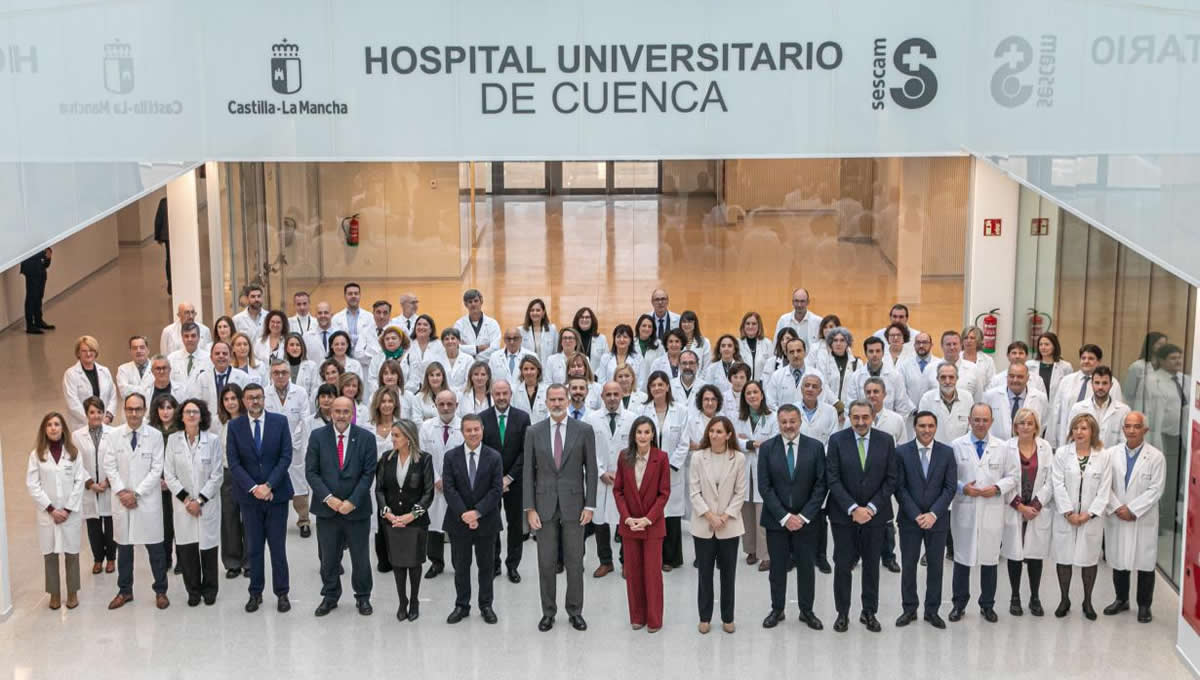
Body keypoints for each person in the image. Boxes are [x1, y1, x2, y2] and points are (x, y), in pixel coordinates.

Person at [524, 383, 599, 632]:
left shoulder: (584, 430)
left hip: (575, 505)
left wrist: (590, 505)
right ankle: (548, 612)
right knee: (546, 562)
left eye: (560, 399)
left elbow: (591, 470)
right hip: (543, 506)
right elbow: (527, 473)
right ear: (545, 403)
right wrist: (529, 509)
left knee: (575, 562)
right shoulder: (534, 432)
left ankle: (575, 611)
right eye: (552, 400)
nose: (556, 404)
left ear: (567, 401)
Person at [825, 400, 897, 633]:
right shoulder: (837, 441)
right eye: (856, 417)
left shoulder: (886, 441)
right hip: (843, 516)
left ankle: (869, 612)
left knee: (871, 566)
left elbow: (891, 479)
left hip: (875, 517)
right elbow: (832, 478)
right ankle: (842, 613)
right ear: (848, 417)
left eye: (865, 417)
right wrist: (853, 508)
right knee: (843, 565)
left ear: (873, 417)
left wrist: (872, 508)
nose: (860, 422)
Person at [225, 383, 294, 614]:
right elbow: (233, 463)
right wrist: (255, 488)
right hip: (250, 498)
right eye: (250, 398)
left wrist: (269, 485)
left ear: (265, 399)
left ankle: (282, 593)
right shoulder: (234, 426)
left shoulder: (280, 422)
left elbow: (285, 457)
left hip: (277, 495)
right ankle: (255, 593)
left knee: (278, 548)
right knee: (254, 548)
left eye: (258, 397)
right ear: (244, 401)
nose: (255, 401)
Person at [306, 396, 377, 616]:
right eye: (337, 411)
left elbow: (368, 473)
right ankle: (330, 595)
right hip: (327, 509)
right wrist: (330, 498)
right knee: (328, 557)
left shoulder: (365, 438)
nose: (341, 415)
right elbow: (311, 472)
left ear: (353, 413)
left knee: (360, 557)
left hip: (356, 510)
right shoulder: (318, 436)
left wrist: (352, 502)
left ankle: (363, 597)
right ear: (331, 413)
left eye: (346, 411)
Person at [947, 403, 1017, 623]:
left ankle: (987, 605)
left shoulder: (1003, 447)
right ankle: (959, 604)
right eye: (976, 419)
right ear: (969, 420)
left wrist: (996, 489)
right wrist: (962, 488)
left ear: (991, 422)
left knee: (989, 558)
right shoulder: (957, 445)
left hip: (991, 509)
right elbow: (949, 476)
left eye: (984, 420)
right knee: (962, 557)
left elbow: (1013, 476)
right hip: (965, 507)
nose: (980, 424)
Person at [758, 405, 826, 631]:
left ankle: (807, 611)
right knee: (777, 568)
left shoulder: (815, 448)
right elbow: (764, 487)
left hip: (807, 522)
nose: (788, 426)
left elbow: (820, 485)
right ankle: (777, 609)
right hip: (777, 521)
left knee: (807, 567)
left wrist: (804, 516)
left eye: (792, 421)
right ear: (778, 423)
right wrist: (785, 516)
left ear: (800, 422)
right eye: (784, 421)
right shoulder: (767, 448)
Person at [104, 393, 169, 610]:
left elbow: (157, 469)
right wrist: (122, 492)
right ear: (124, 409)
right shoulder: (114, 436)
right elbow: (109, 467)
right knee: (124, 549)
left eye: (138, 409)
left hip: (146, 501)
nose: (134, 413)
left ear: (144, 410)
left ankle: (161, 591)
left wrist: (137, 494)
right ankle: (125, 591)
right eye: (130, 409)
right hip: (122, 501)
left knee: (156, 550)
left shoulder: (155, 435)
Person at [894, 411, 956, 629]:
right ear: (915, 427)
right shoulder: (901, 453)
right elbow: (899, 488)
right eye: (922, 426)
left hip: (937, 521)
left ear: (936, 427)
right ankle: (909, 609)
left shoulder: (947, 453)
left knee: (936, 567)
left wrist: (933, 514)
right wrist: (916, 515)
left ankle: (932, 611)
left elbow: (950, 488)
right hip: (910, 520)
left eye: (930, 425)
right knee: (909, 565)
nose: (926, 430)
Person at [441, 414, 504, 624]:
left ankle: (486, 605)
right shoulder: (451, 457)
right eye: (468, 430)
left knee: (486, 566)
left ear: (482, 430)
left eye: (476, 429)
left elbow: (496, 490)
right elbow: (449, 489)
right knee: (461, 565)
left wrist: (476, 513)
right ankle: (462, 605)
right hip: (459, 521)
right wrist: (465, 515)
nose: (473, 433)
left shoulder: (494, 457)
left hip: (486, 521)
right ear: (462, 432)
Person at [1104, 411, 1165, 623]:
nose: (1131, 430)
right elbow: (1105, 485)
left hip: (1142, 517)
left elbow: (1156, 489)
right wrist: (1118, 507)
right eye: (1128, 426)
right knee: (1119, 558)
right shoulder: (1111, 454)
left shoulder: (1156, 457)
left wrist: (1132, 509)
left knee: (1145, 563)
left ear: (1145, 430)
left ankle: (1144, 606)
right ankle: (1121, 600)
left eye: (1136, 426)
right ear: (1123, 429)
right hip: (1118, 514)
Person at [1051, 412, 1112, 619]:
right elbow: (1057, 484)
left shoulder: (1103, 456)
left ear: (1092, 431)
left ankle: (1087, 601)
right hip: (1065, 517)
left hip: (1090, 519)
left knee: (1089, 560)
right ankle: (1064, 599)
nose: (1079, 432)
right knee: (1064, 558)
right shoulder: (1061, 453)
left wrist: (1088, 515)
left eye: (1084, 428)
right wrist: (1068, 512)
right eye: (1076, 428)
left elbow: (1104, 490)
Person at [614, 415, 671, 632]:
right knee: (634, 573)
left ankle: (654, 619)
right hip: (630, 524)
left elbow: (664, 493)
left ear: (653, 435)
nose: (643, 436)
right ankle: (637, 616)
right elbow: (618, 490)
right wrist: (627, 517)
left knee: (652, 574)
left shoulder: (661, 458)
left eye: (647, 432)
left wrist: (648, 519)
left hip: (652, 525)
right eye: (639, 432)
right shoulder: (624, 456)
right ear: (633, 435)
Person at [164, 398, 224, 606]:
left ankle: (210, 589)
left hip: (206, 504)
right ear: (181, 416)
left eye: (195, 412)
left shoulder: (213, 440)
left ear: (202, 416)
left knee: (208, 548)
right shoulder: (173, 441)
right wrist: (187, 500)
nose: (191, 415)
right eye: (187, 412)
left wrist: (199, 500)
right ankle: (193, 591)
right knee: (187, 549)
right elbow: (169, 474)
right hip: (183, 506)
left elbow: (217, 475)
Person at [376, 419, 435, 622]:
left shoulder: (424, 460)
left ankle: (415, 600)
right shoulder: (386, 459)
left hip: (415, 522)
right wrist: (387, 513)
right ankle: (402, 601)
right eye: (392, 435)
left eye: (397, 436)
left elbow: (428, 492)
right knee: (398, 563)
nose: (392, 439)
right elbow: (380, 489)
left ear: (408, 438)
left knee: (414, 563)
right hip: (392, 521)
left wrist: (412, 515)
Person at [27, 411, 85, 609]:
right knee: (50, 554)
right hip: (48, 514)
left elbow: (79, 482)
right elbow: (33, 485)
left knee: (72, 553)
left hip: (70, 513)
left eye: (57, 424)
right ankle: (54, 594)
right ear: (45, 429)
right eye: (49, 424)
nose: (53, 428)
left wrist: (67, 509)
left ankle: (72, 593)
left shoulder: (74, 453)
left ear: (63, 429)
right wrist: (51, 509)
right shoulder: (36, 455)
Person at [1000, 408, 1055, 617]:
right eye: (1021, 423)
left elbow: (1051, 479)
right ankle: (1015, 596)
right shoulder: (1006, 447)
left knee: (1035, 555)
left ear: (1036, 427)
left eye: (1029, 423)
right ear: (1015, 426)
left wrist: (1036, 505)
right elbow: (1003, 479)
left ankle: (1034, 597)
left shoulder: (1045, 447)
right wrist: (1019, 506)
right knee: (1014, 554)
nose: (1025, 426)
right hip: (1014, 508)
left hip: (1036, 509)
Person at [638, 371, 691, 571]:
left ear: (668, 387)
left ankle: (671, 558)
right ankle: (653, 557)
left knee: (672, 515)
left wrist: (669, 466)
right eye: (653, 385)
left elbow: (684, 442)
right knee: (652, 512)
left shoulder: (681, 410)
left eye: (661, 384)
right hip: (648, 469)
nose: (657, 388)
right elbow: (639, 438)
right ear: (649, 389)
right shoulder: (642, 410)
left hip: (672, 470)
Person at [481, 380, 532, 582]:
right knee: (492, 524)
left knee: (515, 525)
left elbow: (525, 450)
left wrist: (509, 478)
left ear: (511, 394)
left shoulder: (522, 418)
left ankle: (513, 565)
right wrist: (496, 480)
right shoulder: (482, 418)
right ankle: (494, 564)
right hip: (490, 482)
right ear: (491, 395)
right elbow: (482, 450)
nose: (501, 397)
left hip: (516, 480)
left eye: (505, 393)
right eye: (497, 394)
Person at [585, 380, 634, 578]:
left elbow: (635, 448)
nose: (612, 398)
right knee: (600, 521)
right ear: (602, 396)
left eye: (616, 394)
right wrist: (601, 471)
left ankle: (626, 562)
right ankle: (606, 562)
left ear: (621, 395)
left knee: (625, 520)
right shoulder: (591, 419)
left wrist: (621, 474)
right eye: (608, 394)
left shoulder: (633, 418)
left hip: (625, 478)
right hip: (600, 478)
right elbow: (589, 450)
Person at [417, 390, 463, 578]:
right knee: (434, 526)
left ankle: (459, 564)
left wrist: (450, 481)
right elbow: (422, 455)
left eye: (449, 404)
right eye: (441, 404)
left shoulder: (464, 426)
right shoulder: (427, 427)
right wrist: (436, 478)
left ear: (456, 405)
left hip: (458, 486)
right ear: (435, 405)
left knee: (457, 528)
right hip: (434, 484)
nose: (445, 408)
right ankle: (436, 562)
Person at [264, 359, 312, 539]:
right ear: (271, 374)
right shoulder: (265, 393)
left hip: (295, 446)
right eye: (276, 372)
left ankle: (304, 520)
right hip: (272, 447)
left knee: (299, 484)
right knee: (273, 482)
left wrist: (292, 441)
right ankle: (275, 522)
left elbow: (305, 419)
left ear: (289, 373)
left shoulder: (299, 393)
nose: (280, 375)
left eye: (283, 372)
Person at [734, 380, 776, 571]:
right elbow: (734, 440)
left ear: (762, 394)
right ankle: (750, 550)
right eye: (748, 393)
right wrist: (752, 444)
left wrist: (748, 443)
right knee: (746, 513)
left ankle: (765, 555)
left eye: (755, 392)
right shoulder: (739, 418)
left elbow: (773, 443)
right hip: (744, 470)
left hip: (763, 469)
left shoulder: (772, 417)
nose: (752, 396)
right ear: (744, 397)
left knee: (762, 514)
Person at [1049, 344, 1124, 445]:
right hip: (1067, 437)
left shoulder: (1111, 384)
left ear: (1099, 361)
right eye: (1083, 358)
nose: (1086, 361)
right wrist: (1051, 440)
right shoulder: (1066, 381)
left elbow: (1116, 413)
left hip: (1099, 441)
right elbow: (1055, 412)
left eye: (1091, 358)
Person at [76, 398, 117, 574]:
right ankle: (98, 558)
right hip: (90, 487)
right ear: (86, 414)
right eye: (92, 412)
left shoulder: (114, 433)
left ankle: (111, 558)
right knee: (93, 525)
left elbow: (117, 459)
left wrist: (108, 481)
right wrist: (90, 483)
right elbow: (76, 463)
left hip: (108, 485)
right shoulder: (77, 436)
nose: (96, 415)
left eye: (99, 412)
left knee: (110, 524)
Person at [216, 384, 248, 578]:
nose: (230, 403)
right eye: (226, 399)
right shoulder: (221, 424)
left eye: (233, 399)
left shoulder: (248, 422)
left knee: (249, 520)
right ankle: (232, 562)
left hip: (246, 475)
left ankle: (250, 561)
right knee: (229, 519)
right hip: (227, 475)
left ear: (241, 400)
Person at [148, 393, 180, 573]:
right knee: (164, 525)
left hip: (178, 483)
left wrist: (171, 480)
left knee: (180, 523)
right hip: (158, 484)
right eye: (162, 408)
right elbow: (149, 459)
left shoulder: (181, 430)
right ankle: (166, 558)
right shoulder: (151, 431)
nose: (166, 412)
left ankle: (182, 560)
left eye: (169, 407)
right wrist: (158, 479)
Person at [846, 336, 913, 417]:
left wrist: (895, 425)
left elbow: (902, 408)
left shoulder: (895, 376)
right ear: (865, 353)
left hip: (889, 425)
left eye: (878, 351)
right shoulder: (855, 377)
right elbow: (850, 406)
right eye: (871, 351)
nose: (874, 355)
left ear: (883, 353)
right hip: (863, 425)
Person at [1065, 366, 1130, 448]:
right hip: (1084, 458)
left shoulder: (1123, 411)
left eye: (1104, 383)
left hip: (1111, 459)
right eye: (1097, 382)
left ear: (1111, 385)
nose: (1100, 387)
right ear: (1091, 384)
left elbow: (1125, 442)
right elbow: (1071, 438)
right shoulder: (1078, 408)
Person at [63, 335, 117, 432]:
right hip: (82, 425)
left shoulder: (104, 371)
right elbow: (72, 403)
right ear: (78, 353)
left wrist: (108, 417)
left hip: (105, 423)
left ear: (96, 352)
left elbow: (113, 396)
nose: (88, 354)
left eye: (91, 350)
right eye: (84, 351)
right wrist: (92, 420)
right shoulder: (70, 374)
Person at [982, 362, 1048, 440]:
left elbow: (1043, 424)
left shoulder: (1040, 398)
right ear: (1006, 377)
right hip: (999, 447)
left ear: (1027, 378)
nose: (1015, 380)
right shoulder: (991, 396)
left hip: (1028, 446)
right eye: (1011, 376)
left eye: (1020, 377)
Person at [918, 363, 972, 445]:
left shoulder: (967, 398)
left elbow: (971, 428)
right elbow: (922, 428)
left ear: (957, 378)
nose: (947, 381)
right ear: (937, 379)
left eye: (951, 377)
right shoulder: (927, 399)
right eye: (943, 377)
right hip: (936, 451)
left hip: (962, 451)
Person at [930, 331, 981, 402]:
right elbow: (924, 397)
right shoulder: (930, 369)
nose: (952, 347)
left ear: (961, 346)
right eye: (948, 344)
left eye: (955, 344)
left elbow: (978, 399)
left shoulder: (973, 369)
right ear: (942, 346)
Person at [1028, 331, 1074, 410]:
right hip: (1035, 407)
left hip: (1056, 409)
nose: (1043, 347)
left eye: (1047, 344)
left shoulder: (1065, 367)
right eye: (1040, 344)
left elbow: (1068, 391)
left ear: (1054, 346)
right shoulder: (1029, 366)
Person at [455, 288, 502, 361]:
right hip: (467, 366)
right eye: (470, 302)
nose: (473, 304)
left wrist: (470, 353)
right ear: (465, 304)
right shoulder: (459, 324)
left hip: (487, 365)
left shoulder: (492, 324)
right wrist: (478, 348)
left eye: (476, 301)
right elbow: (457, 347)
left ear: (481, 301)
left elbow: (495, 348)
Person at [331, 282, 375, 360]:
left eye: (356, 293)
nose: (353, 296)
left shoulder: (370, 317)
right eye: (350, 294)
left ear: (360, 296)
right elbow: (336, 339)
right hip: (343, 358)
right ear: (345, 296)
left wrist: (350, 337)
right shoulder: (336, 318)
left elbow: (371, 339)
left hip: (364, 359)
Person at [402, 315, 444, 393]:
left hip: (433, 388)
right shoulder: (407, 345)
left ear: (431, 329)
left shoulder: (439, 345)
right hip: (410, 389)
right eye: (419, 324)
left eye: (425, 325)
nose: (421, 327)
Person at [1126, 332, 1168, 409]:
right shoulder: (1137, 366)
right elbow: (1128, 394)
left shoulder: (1166, 367)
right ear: (1151, 345)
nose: (1163, 347)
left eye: (1165, 345)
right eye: (1159, 344)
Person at [20, 247, 53, 334]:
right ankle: (30, 325)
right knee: (31, 297)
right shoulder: (25, 239)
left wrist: (48, 256)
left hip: (41, 270)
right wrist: (43, 253)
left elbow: (46, 260)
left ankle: (38, 321)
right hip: (31, 270)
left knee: (39, 296)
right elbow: (26, 253)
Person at [520, 298, 558, 365]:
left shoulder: (552, 329)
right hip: (529, 370)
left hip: (547, 369)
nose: (535, 313)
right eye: (532, 310)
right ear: (529, 313)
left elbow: (556, 352)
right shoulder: (521, 330)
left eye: (538, 310)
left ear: (543, 313)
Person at [283, 333, 321, 401]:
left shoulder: (311, 366)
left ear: (302, 348)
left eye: (298, 345)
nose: (295, 348)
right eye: (291, 345)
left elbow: (314, 392)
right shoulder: (281, 366)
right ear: (287, 348)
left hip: (305, 407)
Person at [117, 335, 155, 400]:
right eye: (135, 348)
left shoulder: (156, 367)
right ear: (130, 351)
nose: (138, 351)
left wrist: (131, 388)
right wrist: (146, 389)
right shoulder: (123, 369)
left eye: (142, 347)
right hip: (132, 409)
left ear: (148, 350)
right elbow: (124, 392)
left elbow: (157, 391)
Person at [961, 325, 997, 392]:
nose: (968, 341)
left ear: (978, 341)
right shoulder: (956, 358)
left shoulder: (988, 360)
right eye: (966, 338)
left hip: (981, 399)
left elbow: (991, 383)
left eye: (972, 338)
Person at [737, 311, 772, 381]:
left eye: (754, 324)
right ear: (743, 326)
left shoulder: (767, 344)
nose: (750, 326)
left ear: (759, 326)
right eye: (747, 323)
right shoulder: (737, 343)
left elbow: (771, 368)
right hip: (742, 385)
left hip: (762, 386)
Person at [633, 314, 664, 383]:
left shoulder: (659, 345)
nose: (647, 329)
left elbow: (662, 366)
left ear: (653, 330)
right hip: (634, 385)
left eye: (650, 326)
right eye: (644, 326)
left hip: (653, 384)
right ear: (638, 327)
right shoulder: (631, 343)